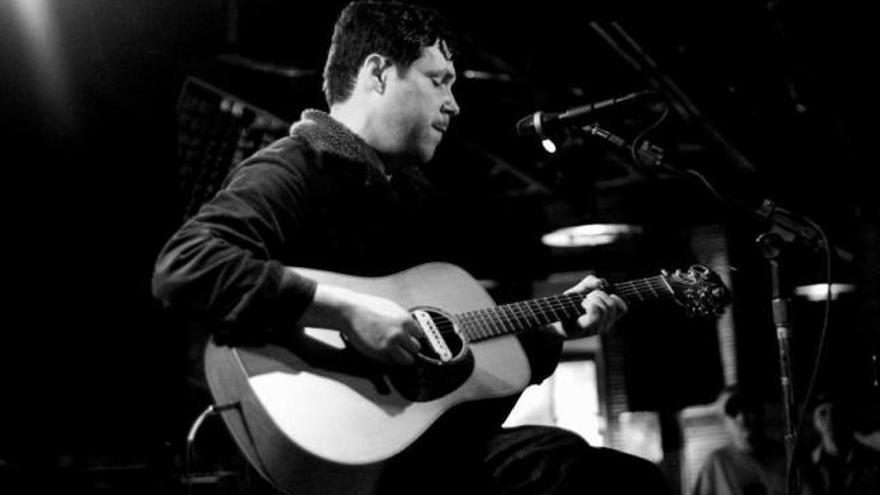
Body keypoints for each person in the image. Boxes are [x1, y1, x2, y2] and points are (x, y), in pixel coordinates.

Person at [152, 1, 669, 494]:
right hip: (342, 456)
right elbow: (187, 264)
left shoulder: (410, 197)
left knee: (607, 473)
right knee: (578, 471)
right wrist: (346, 312)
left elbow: (459, 363)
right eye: (438, 79)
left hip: (422, 452)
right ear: (378, 74)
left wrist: (554, 328)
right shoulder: (296, 166)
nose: (454, 102)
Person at [692, 385, 786, 495]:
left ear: (760, 411)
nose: (742, 418)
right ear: (724, 422)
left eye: (747, 407)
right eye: (732, 411)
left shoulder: (787, 457)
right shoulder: (715, 466)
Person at [797, 392, 880, 495]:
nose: (830, 419)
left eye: (836, 412)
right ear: (815, 421)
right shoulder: (808, 466)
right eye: (823, 413)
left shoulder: (870, 461)